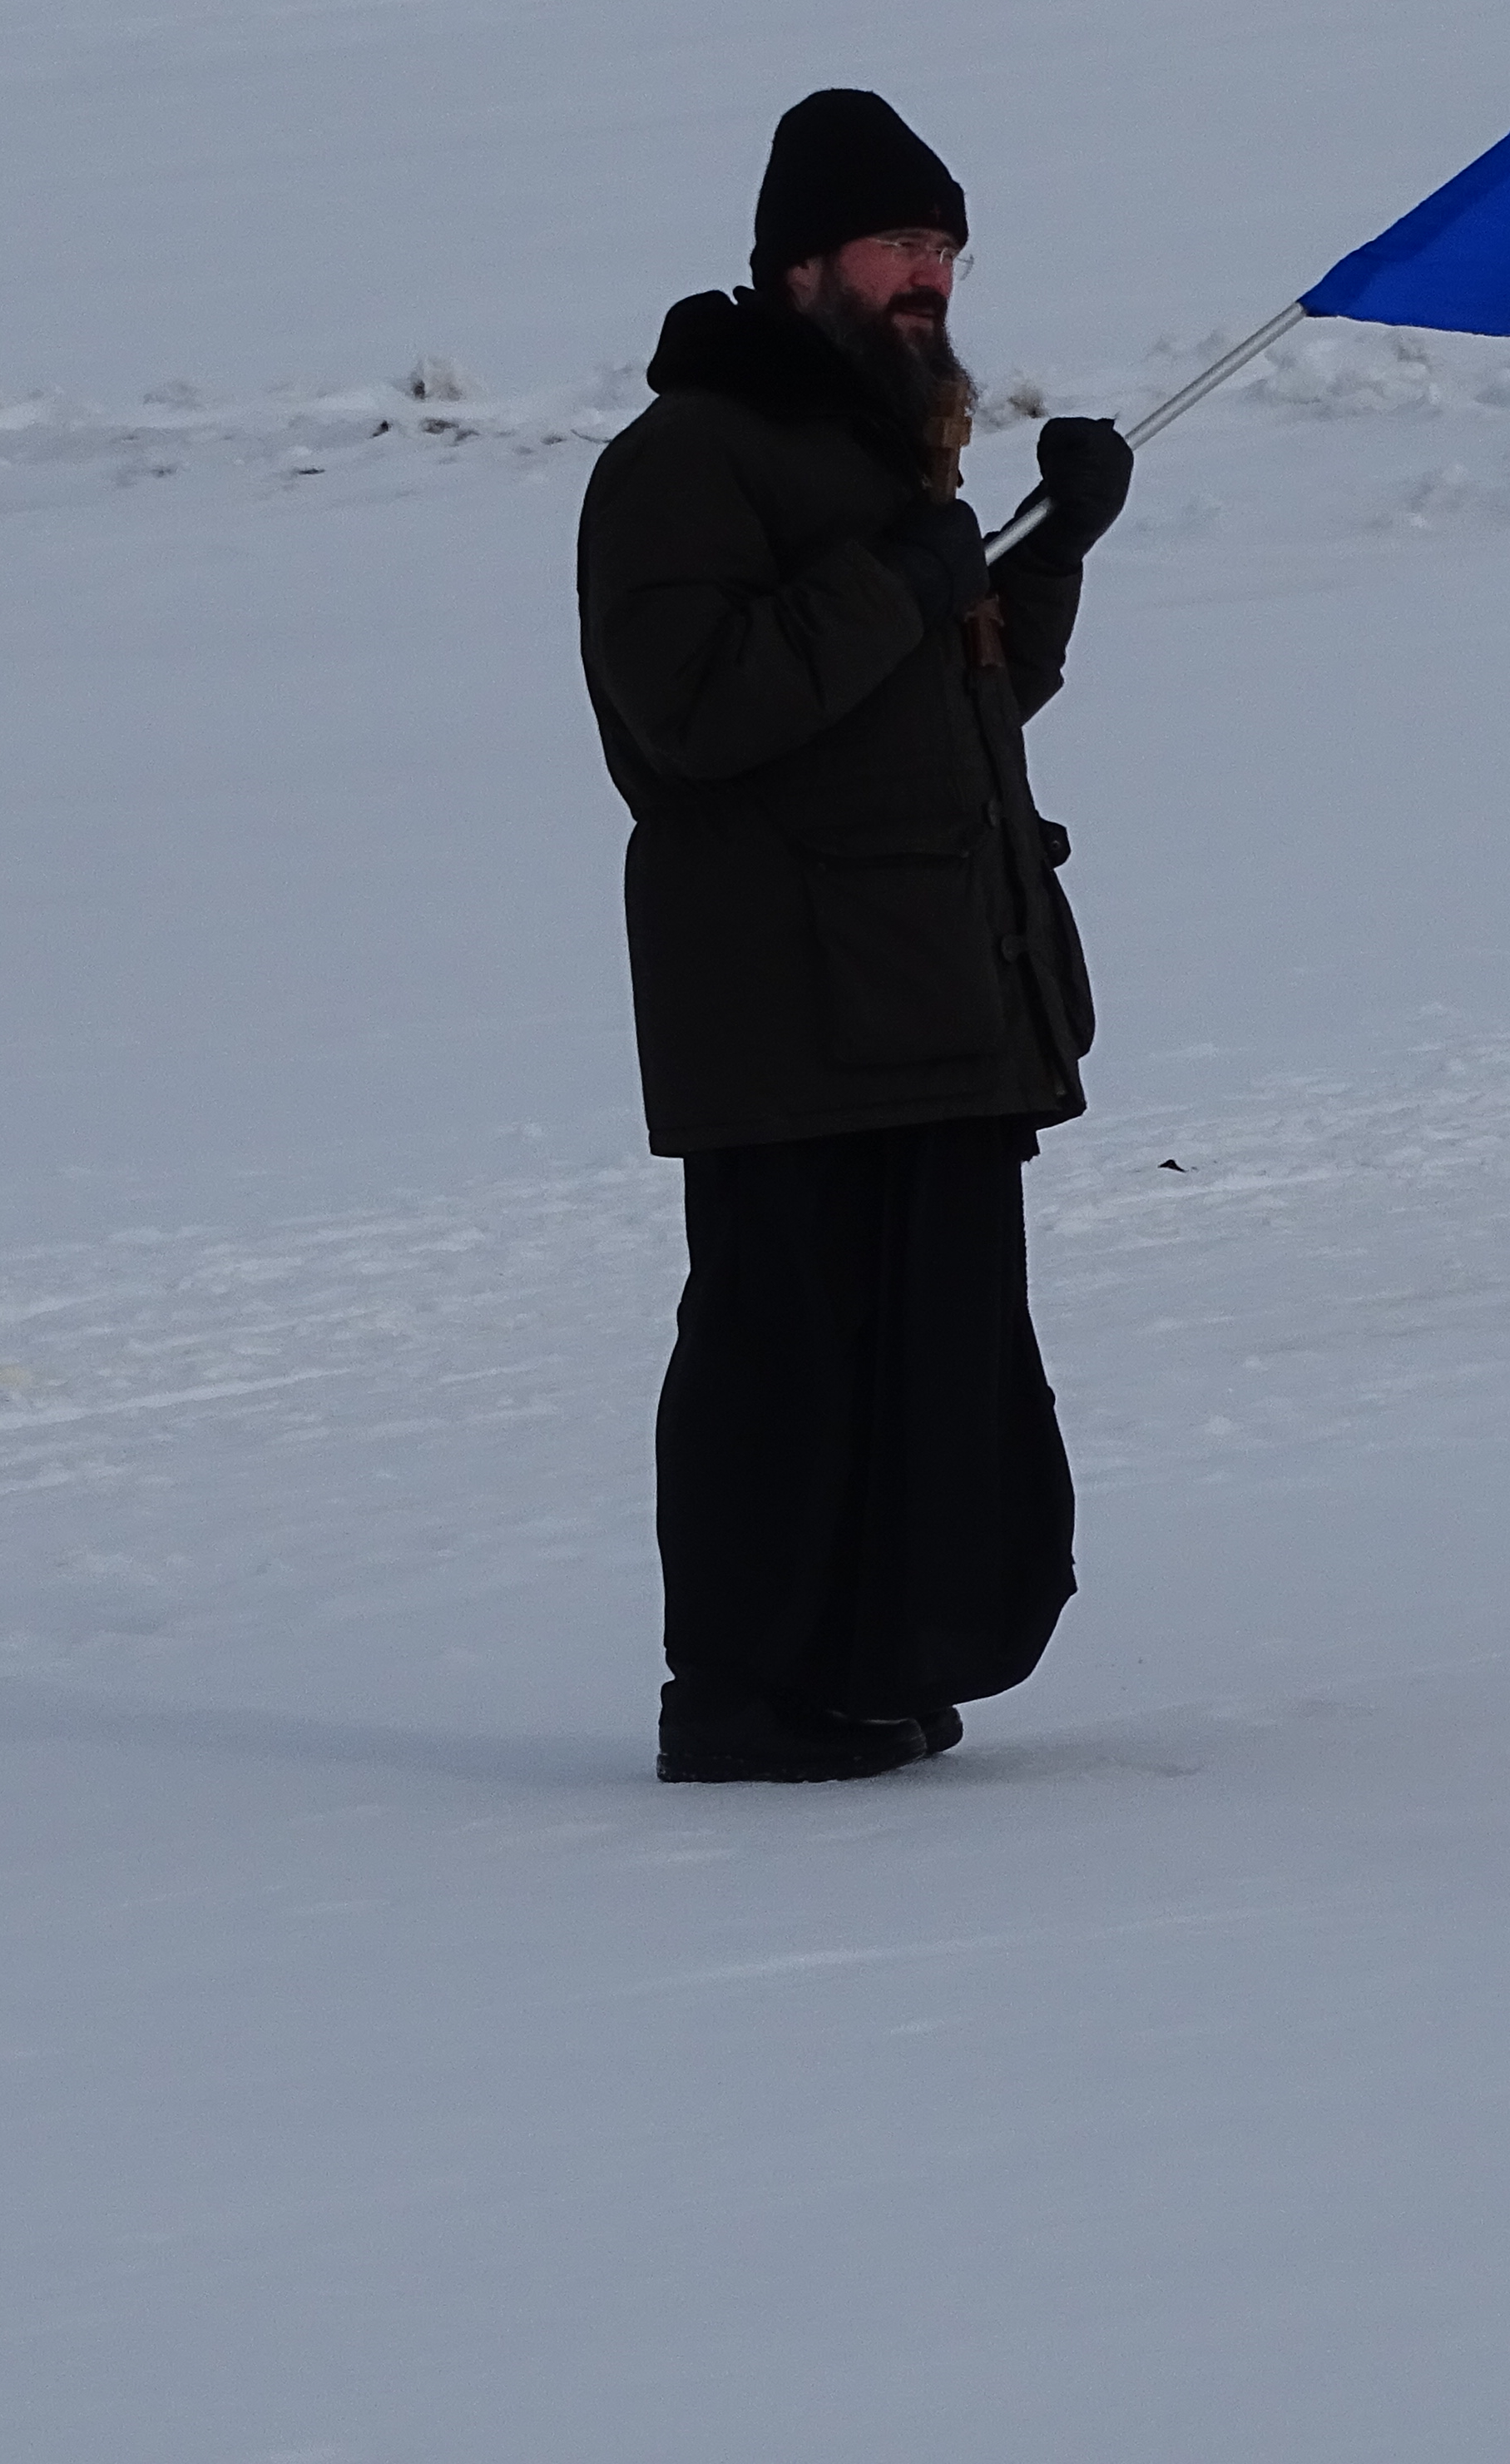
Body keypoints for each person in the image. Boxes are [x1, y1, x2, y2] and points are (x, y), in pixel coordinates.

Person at [576, 90, 1137, 1782]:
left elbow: (962, 707)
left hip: (936, 1002)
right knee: (787, 1365)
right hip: (790, 1014)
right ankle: (744, 1698)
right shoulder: (683, 461)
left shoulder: (883, 461)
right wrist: (896, 577)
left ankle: (874, 1672)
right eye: (902, 244)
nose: (931, 279)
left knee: (936, 1372)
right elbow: (686, 718)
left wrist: (1048, 556)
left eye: (949, 250)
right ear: (800, 260)